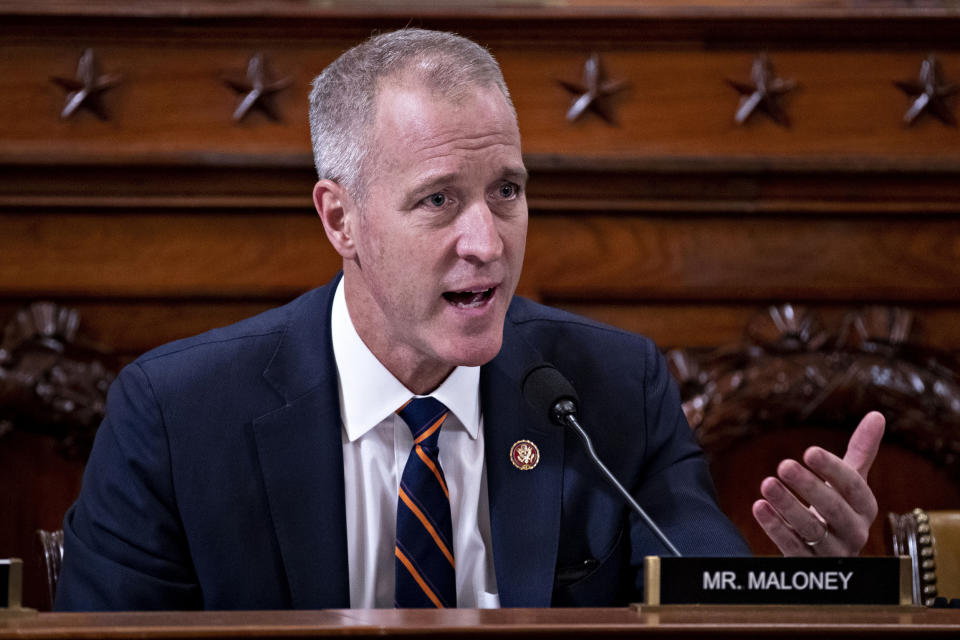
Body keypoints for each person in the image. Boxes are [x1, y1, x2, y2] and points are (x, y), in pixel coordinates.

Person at [55, 28, 884, 611]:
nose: (486, 243)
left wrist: (813, 584)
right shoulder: (177, 414)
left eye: (507, 192)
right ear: (340, 219)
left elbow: (706, 600)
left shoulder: (609, 389)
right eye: (439, 200)